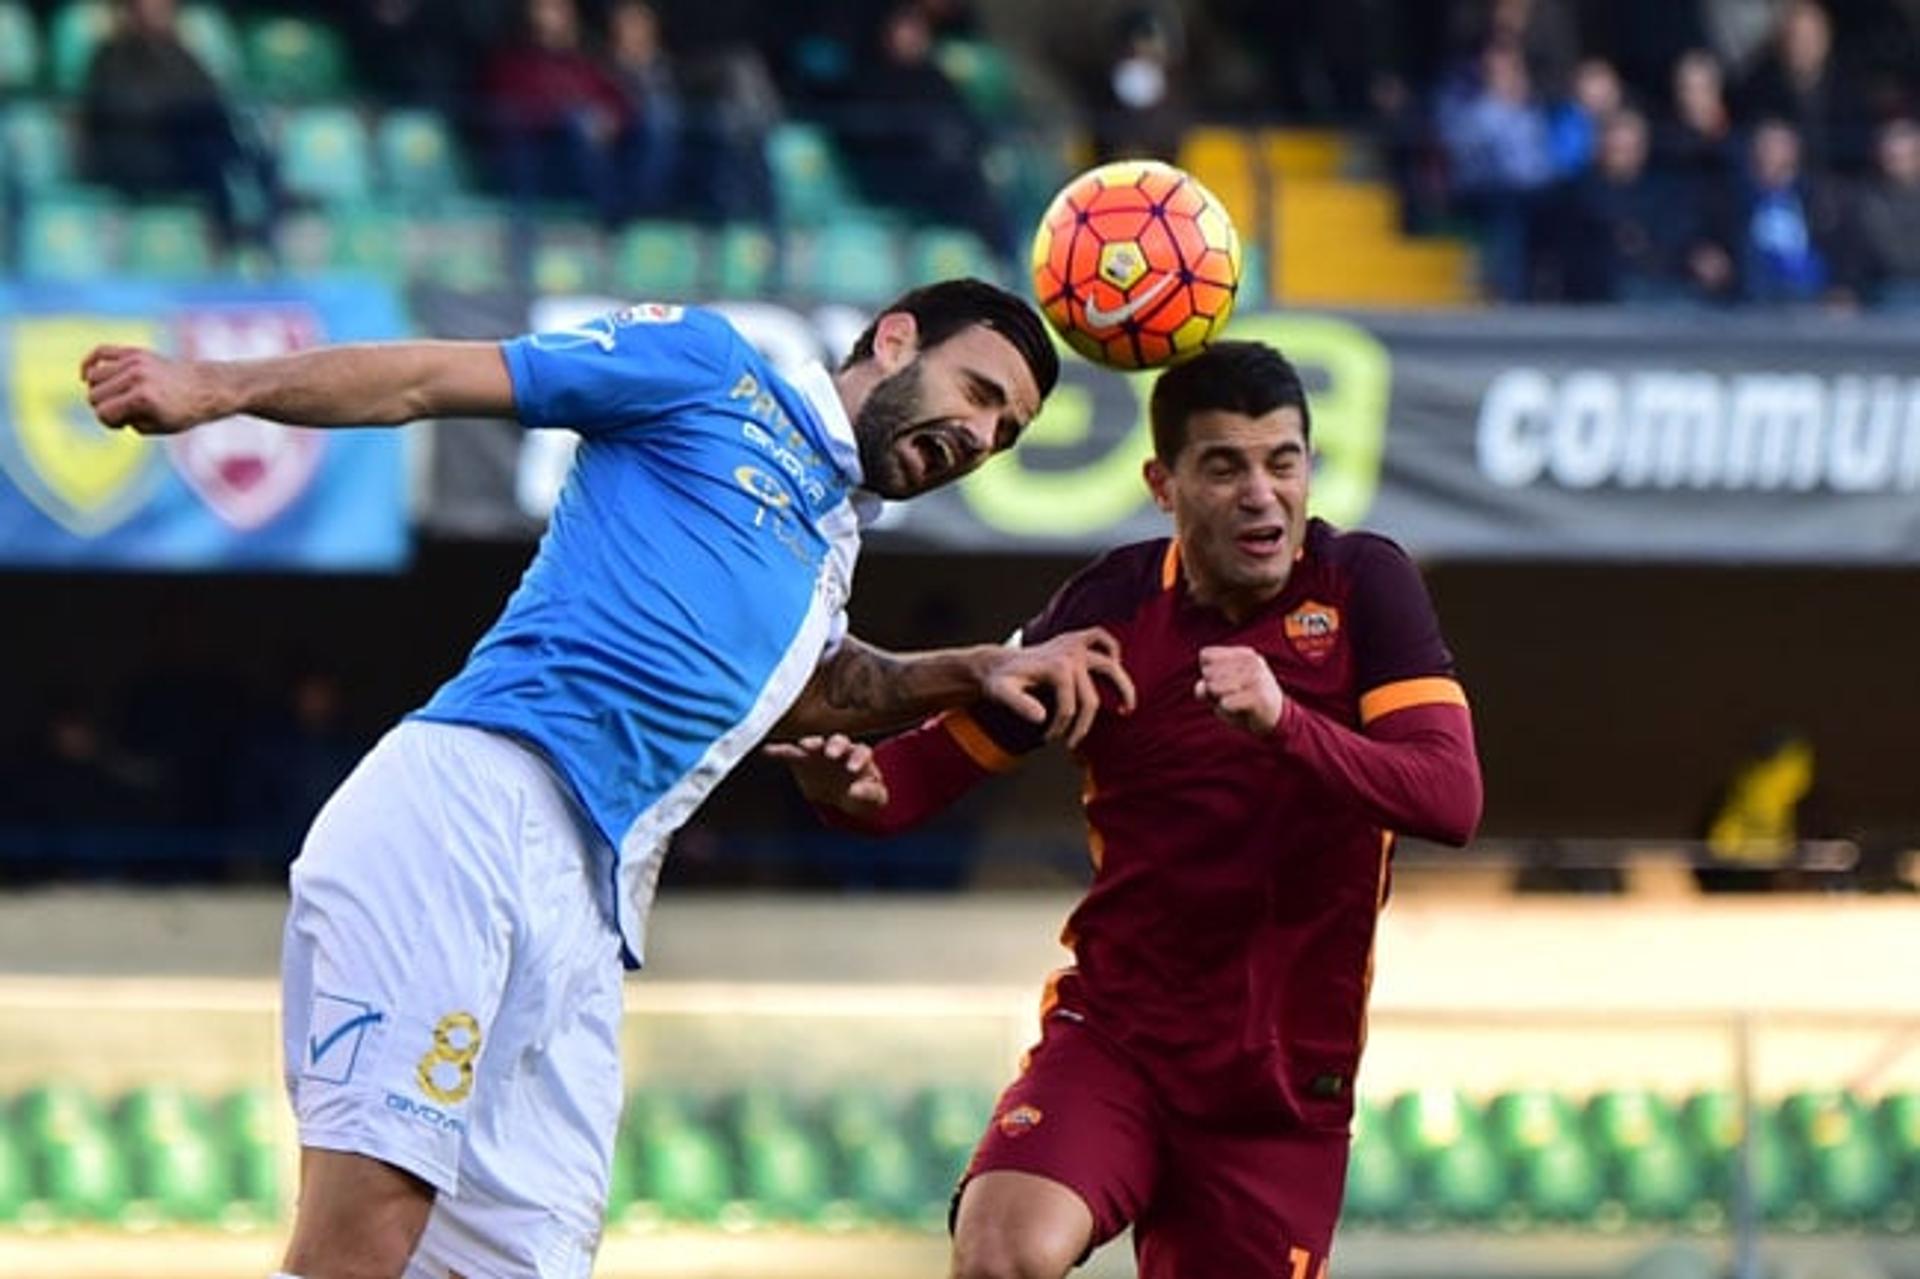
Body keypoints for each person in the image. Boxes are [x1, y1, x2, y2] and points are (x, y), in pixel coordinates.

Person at [79, 277, 1136, 1279]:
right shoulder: (710, 367)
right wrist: (214, 390)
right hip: (475, 809)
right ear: (896, 338)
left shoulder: (829, 537)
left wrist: (981, 668)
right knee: (368, 1235)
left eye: (1007, 433)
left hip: (589, 906)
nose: (981, 438)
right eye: (980, 393)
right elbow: (431, 380)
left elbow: (815, 686)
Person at [776, 340, 1483, 1279]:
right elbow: (919, 781)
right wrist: (855, 791)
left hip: (1278, 1093)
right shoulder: (1109, 604)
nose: (1262, 493)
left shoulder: (1364, 585)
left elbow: (1450, 795)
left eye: (1284, 461)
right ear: (1163, 483)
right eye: (1224, 465)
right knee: (1001, 1253)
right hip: (1117, 1042)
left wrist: (1285, 722)